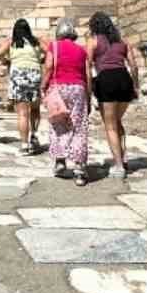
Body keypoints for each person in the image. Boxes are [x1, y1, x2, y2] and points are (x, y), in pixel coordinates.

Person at [87, 11, 141, 179]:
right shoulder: (123, 42)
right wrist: (136, 85)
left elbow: (87, 65)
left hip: (106, 79)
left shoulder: (93, 41)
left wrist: (88, 89)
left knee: (110, 125)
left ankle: (118, 165)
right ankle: (122, 158)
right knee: (117, 122)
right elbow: (133, 65)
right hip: (124, 79)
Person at [43, 17, 91, 184]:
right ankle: (79, 168)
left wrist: (43, 85)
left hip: (58, 89)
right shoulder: (82, 50)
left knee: (58, 125)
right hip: (78, 88)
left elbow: (49, 66)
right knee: (79, 127)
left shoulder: (53, 46)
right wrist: (89, 96)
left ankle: (60, 162)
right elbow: (87, 74)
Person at [0, 19, 44, 155]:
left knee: (22, 113)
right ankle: (34, 135)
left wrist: (7, 61)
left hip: (18, 75)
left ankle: (24, 145)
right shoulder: (36, 41)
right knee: (35, 109)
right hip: (34, 75)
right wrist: (40, 59)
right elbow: (49, 51)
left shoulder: (11, 41)